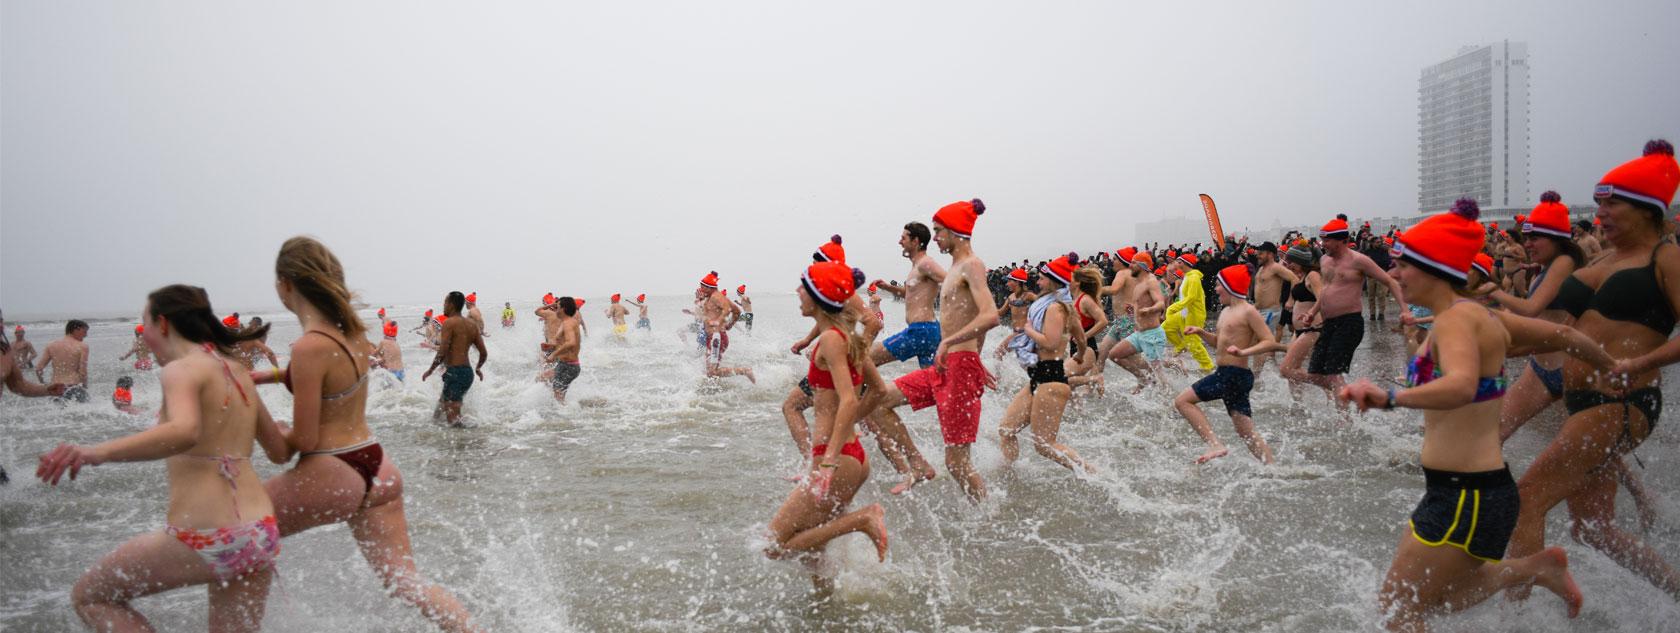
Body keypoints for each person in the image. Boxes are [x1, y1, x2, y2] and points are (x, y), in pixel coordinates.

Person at [1337, 201, 1597, 630]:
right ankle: (1535, 568)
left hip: (1468, 494)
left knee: (1399, 610)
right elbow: (1566, 335)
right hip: (1464, 490)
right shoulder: (1471, 318)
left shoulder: (1457, 321)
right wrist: (1618, 370)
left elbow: (1460, 385)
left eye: (1404, 265)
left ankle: (1536, 569)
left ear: (1432, 268)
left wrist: (1388, 398)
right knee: (1434, 601)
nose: (1396, 275)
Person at [252, 236, 482, 631]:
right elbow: (328, 376)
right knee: (407, 584)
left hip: (333, 469)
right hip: (377, 466)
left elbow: (296, 446)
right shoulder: (355, 335)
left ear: (285, 284)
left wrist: (262, 417)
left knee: (237, 536)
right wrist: (263, 375)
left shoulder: (309, 346)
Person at [37, 284, 285, 632]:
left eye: (146, 325)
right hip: (260, 532)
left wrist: (95, 452)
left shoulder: (181, 369)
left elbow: (185, 431)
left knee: (91, 597)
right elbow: (280, 449)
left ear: (164, 324)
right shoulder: (236, 370)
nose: (146, 336)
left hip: (209, 533)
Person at [1507, 141, 1680, 599]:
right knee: (1593, 530)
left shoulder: (1665, 258)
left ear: (1646, 210)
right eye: (1599, 204)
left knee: (1526, 499)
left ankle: (1514, 622)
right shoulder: (1603, 260)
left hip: (1620, 403)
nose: (1599, 213)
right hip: (1582, 404)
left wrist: (1642, 362)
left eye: (1611, 204)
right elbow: (1543, 331)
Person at [763, 261, 889, 588]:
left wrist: (829, 459)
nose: (796, 291)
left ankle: (864, 519)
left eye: (803, 287)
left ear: (818, 297)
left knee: (774, 546)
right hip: (853, 455)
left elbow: (848, 399)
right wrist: (847, 430)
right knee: (815, 549)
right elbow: (877, 390)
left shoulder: (832, 340)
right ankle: (826, 609)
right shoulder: (844, 336)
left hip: (836, 457)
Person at [866, 199, 999, 502]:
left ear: (955, 231)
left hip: (957, 363)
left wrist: (953, 344)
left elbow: (990, 315)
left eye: (938, 231)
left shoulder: (971, 265)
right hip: (946, 363)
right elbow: (970, 315)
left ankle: (987, 517)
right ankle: (916, 462)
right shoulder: (954, 268)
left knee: (956, 464)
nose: (934, 237)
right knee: (878, 401)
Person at [1176, 265, 1284, 464]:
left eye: (1218, 285)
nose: (1215, 289)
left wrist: (1244, 352)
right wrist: (1200, 332)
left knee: (1182, 401)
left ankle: (1215, 444)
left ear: (1230, 286)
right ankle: (1272, 468)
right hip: (1231, 374)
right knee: (1245, 431)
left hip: (1233, 375)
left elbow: (1269, 341)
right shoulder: (1226, 312)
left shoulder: (1248, 311)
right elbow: (1219, 343)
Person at [998, 253, 1094, 473]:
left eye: (1041, 278)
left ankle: (1095, 474)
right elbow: (1080, 338)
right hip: (1040, 377)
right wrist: (1079, 355)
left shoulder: (1055, 308)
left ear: (1052, 280)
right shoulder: (1065, 307)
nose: (1038, 282)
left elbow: (1050, 343)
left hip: (1051, 379)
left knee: (1044, 445)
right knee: (1007, 429)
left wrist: (1029, 329)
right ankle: (1008, 474)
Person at [1300, 214, 1409, 402]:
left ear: (1342, 240)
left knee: (1334, 373)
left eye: (1327, 240)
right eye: (1322, 239)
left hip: (1349, 322)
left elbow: (1390, 281)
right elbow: (1326, 290)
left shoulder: (1358, 260)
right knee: (1316, 372)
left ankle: (1345, 422)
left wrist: (1405, 309)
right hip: (1329, 323)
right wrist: (1312, 312)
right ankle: (1352, 394)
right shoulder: (1325, 261)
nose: (1323, 243)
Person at [0, 309, 70, 484]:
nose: (1, 324)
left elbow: (18, 385)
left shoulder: (5, 352)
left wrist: (47, 390)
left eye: (0, 319)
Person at [870, 225, 946, 369]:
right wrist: (888, 287)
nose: (900, 242)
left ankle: (873, 391)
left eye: (903, 238)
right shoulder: (917, 266)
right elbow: (911, 295)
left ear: (915, 241)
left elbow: (950, 281)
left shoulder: (925, 264)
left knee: (868, 358)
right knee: (933, 380)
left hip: (920, 331)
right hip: (929, 331)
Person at [423, 291, 489, 426]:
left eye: (445, 303)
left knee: (453, 420)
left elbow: (443, 350)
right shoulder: (471, 325)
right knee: (438, 412)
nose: (443, 306)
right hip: (466, 373)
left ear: (451, 305)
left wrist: (430, 370)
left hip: (456, 373)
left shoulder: (449, 323)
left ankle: (470, 442)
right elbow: (483, 352)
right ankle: (437, 434)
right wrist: (478, 368)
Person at [1105, 252, 1169, 391]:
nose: (1130, 265)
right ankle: (1143, 379)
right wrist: (1134, 309)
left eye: (1133, 263)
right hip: (1139, 334)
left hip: (1152, 334)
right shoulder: (1139, 284)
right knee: (1114, 355)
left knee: (1159, 375)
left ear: (1142, 266)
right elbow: (1142, 303)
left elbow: (1160, 303)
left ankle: (1169, 401)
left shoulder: (1151, 281)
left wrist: (1150, 310)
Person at [1279, 245, 1325, 395]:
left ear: (1300, 261)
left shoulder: (1313, 275)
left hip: (1312, 329)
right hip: (1299, 331)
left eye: (1291, 261)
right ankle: (1298, 403)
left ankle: (1327, 382)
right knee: (1292, 369)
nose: (1288, 265)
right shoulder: (1301, 277)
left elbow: (1323, 298)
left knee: (1286, 369)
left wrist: (1311, 313)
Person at [695, 272, 755, 383]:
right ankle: (716, 390)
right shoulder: (713, 297)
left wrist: (719, 321)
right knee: (708, 371)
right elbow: (736, 310)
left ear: (709, 287)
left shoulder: (716, 296)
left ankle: (744, 371)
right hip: (714, 337)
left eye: (702, 286)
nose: (700, 288)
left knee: (712, 372)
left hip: (716, 338)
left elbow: (727, 309)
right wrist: (730, 325)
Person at [1251, 242, 1300, 373]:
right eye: (1258, 253)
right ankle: (1286, 350)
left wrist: (1291, 299)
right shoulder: (1261, 269)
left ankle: (1256, 375)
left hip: (1271, 311)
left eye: (1261, 253)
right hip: (1259, 310)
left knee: (1261, 340)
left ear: (1270, 254)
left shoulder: (1275, 268)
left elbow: (1295, 279)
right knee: (1254, 340)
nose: (1258, 256)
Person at [1163, 253, 1215, 372]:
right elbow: (1183, 297)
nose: (1175, 263)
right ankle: (1181, 346)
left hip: (1194, 314)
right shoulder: (1186, 276)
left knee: (1193, 342)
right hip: (1184, 312)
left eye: (1178, 261)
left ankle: (1208, 366)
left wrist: (1173, 307)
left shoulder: (1193, 278)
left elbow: (1191, 297)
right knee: (1166, 328)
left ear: (1183, 263)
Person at [37, 319, 91, 403]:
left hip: (56, 388)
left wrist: (44, 384)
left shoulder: (51, 345)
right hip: (74, 386)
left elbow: (38, 369)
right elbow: (83, 371)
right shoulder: (82, 346)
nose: (86, 335)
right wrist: (84, 385)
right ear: (76, 330)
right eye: (84, 332)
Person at [991, 268, 1037, 360]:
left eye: (1009, 281)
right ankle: (1002, 374)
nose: (1007, 284)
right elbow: (1000, 312)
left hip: (1025, 333)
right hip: (1016, 333)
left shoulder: (1028, 295)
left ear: (1017, 282)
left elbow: (1044, 303)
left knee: (998, 353)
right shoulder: (1010, 297)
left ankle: (998, 375)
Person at [544, 297, 584, 403]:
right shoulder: (565, 322)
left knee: (558, 395)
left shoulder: (568, 323)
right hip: (565, 364)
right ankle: (558, 411)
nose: (555, 309)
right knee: (543, 378)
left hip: (569, 366)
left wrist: (554, 354)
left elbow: (571, 342)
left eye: (558, 307)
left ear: (563, 309)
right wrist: (551, 347)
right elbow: (564, 342)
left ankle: (564, 415)